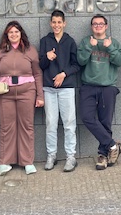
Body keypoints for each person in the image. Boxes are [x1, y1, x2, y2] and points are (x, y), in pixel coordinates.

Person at [0, 20, 44, 176]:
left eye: (16, 32)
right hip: (5, 94)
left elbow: (37, 74)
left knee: (26, 126)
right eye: (10, 32)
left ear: (21, 34)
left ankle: (27, 162)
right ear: (6, 35)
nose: (13, 35)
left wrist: (40, 95)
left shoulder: (30, 50)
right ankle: (5, 162)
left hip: (27, 93)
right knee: (6, 127)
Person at [77, 14, 121, 170]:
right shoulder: (86, 42)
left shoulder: (113, 42)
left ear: (106, 26)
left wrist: (109, 47)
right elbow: (80, 61)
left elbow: (120, 62)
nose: (98, 26)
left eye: (101, 24)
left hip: (108, 87)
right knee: (87, 117)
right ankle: (112, 145)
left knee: (105, 122)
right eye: (95, 24)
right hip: (88, 86)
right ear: (91, 27)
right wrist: (89, 47)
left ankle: (103, 155)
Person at [39, 10, 80, 172]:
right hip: (49, 88)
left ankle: (71, 156)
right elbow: (41, 65)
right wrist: (46, 57)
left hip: (66, 88)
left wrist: (64, 74)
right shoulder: (44, 41)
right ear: (51, 23)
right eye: (54, 22)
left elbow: (76, 65)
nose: (56, 25)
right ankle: (51, 155)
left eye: (59, 22)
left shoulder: (70, 41)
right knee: (51, 123)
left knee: (69, 123)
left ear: (64, 23)